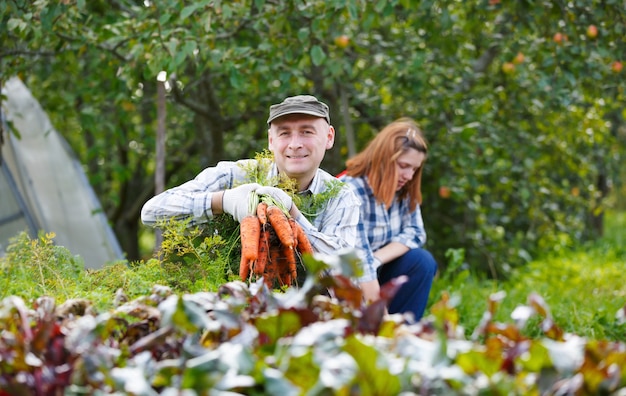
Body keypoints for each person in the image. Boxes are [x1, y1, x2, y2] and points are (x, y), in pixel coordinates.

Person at [141, 95, 380, 301]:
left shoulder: (340, 196)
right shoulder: (236, 174)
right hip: (230, 304)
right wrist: (222, 201)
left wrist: (293, 217)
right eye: (284, 133)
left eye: (307, 132)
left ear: (328, 137)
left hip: (309, 314)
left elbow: (342, 272)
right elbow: (151, 212)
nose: (295, 144)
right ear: (271, 140)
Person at [339, 118, 437, 321]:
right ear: (384, 157)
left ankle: (406, 330)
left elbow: (416, 233)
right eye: (404, 166)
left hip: (377, 270)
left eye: (415, 169)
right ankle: (384, 332)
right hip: (346, 280)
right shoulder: (351, 189)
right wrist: (381, 318)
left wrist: (377, 259)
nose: (409, 175)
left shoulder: (404, 190)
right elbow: (359, 261)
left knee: (422, 261)